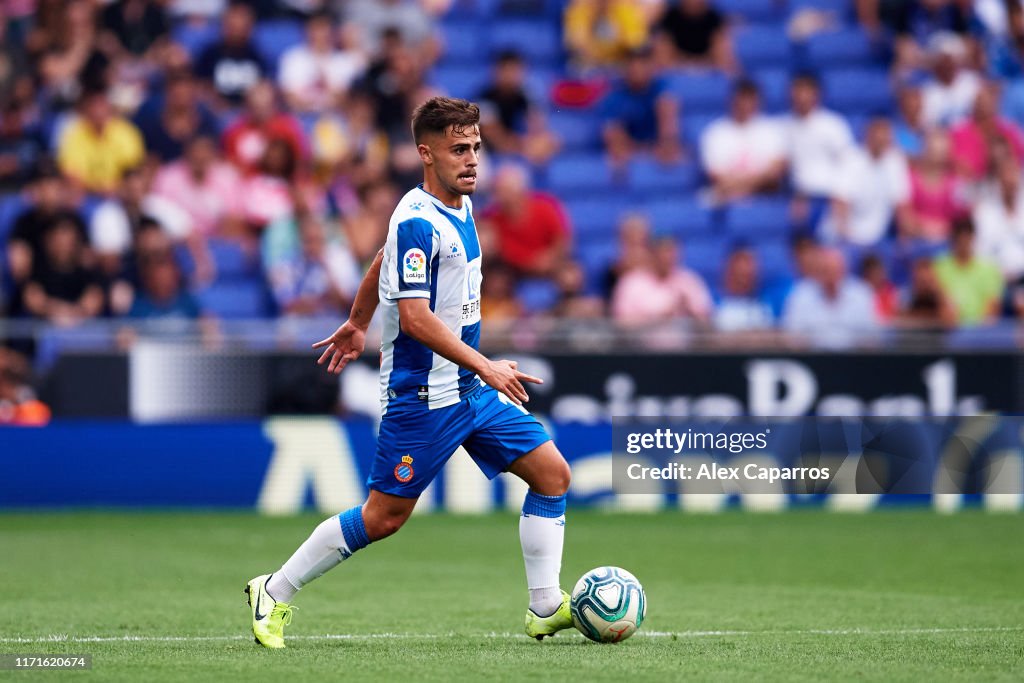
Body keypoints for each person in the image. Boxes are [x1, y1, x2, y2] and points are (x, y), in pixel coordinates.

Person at [246, 97, 574, 648]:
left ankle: (544, 606)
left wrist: (356, 321)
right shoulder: (419, 220)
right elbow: (418, 320)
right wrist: (487, 365)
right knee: (383, 518)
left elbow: (381, 257)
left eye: (475, 148)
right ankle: (273, 590)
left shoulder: (458, 204)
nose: (471, 160)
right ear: (426, 153)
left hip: (467, 388)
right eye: (457, 150)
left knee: (552, 475)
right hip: (422, 397)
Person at [700, 80, 786, 203]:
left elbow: (777, 170)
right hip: (728, 198)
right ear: (733, 100)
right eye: (742, 99)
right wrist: (756, 182)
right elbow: (715, 176)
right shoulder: (715, 132)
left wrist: (744, 187)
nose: (745, 105)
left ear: (758, 101)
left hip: (764, 198)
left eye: (750, 100)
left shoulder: (772, 130)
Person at [601, 46, 681, 165]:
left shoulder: (662, 90)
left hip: (658, 148)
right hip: (631, 153)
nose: (637, 68)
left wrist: (666, 144)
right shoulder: (614, 97)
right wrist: (643, 152)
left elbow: (669, 125)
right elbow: (614, 139)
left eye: (643, 63)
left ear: (651, 66)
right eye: (632, 63)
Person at [933, 216, 1004, 325]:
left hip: (981, 333)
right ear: (953, 239)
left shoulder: (989, 268)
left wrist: (979, 332)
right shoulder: (939, 266)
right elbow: (941, 302)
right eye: (959, 237)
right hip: (949, 330)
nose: (963, 242)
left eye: (967, 237)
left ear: (973, 238)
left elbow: (992, 307)